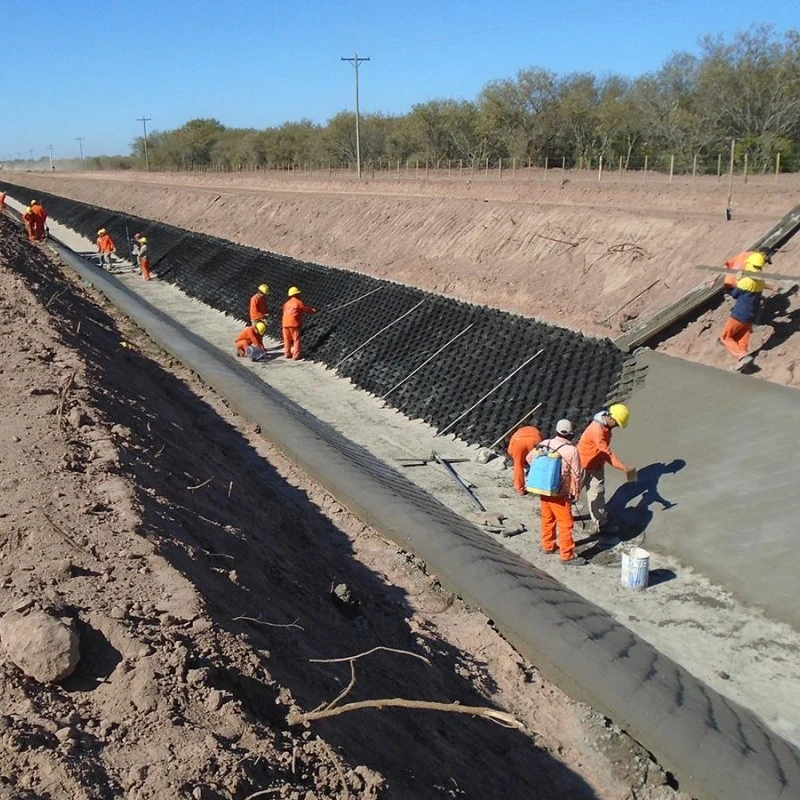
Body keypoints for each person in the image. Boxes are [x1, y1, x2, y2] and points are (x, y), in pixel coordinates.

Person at [527, 419, 585, 565]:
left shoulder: (545, 443)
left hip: (543, 489)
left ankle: (548, 545)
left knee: (548, 519)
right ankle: (567, 555)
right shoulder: (572, 450)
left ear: (557, 431)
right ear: (571, 434)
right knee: (566, 524)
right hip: (560, 493)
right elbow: (577, 475)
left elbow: (529, 458)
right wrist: (576, 493)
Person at [577, 403, 636, 535]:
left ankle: (601, 524)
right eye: (616, 424)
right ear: (611, 418)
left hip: (597, 465)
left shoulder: (606, 427)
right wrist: (624, 467)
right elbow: (607, 453)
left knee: (597, 493)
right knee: (572, 493)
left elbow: (604, 454)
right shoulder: (597, 430)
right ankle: (562, 517)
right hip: (583, 465)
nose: (616, 427)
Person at [719, 251, 779, 371]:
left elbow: (735, 294)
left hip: (740, 313)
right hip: (752, 314)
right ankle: (743, 365)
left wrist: (737, 280)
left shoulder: (745, 281)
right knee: (742, 337)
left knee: (725, 337)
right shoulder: (760, 281)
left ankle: (742, 357)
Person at [282, 286, 317, 360]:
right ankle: (296, 355)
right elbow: (306, 309)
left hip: (285, 323)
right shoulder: (298, 302)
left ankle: (287, 353)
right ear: (296, 294)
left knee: (287, 339)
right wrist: (313, 311)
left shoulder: (286, 303)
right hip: (293, 324)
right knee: (296, 339)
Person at [507, 425, 543, 496]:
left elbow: (510, 451)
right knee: (538, 464)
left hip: (518, 441)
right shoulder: (536, 430)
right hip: (534, 440)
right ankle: (538, 488)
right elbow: (542, 445)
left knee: (518, 466)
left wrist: (518, 458)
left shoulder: (517, 433)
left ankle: (520, 489)